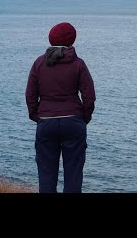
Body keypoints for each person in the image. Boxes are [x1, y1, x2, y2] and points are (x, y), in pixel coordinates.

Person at [25, 22, 96, 193]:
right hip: (73, 122)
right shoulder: (78, 64)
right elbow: (89, 96)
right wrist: (83, 118)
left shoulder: (39, 63)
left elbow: (30, 95)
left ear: (50, 38)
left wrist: (38, 117)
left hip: (46, 122)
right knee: (73, 175)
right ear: (72, 40)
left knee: (46, 176)